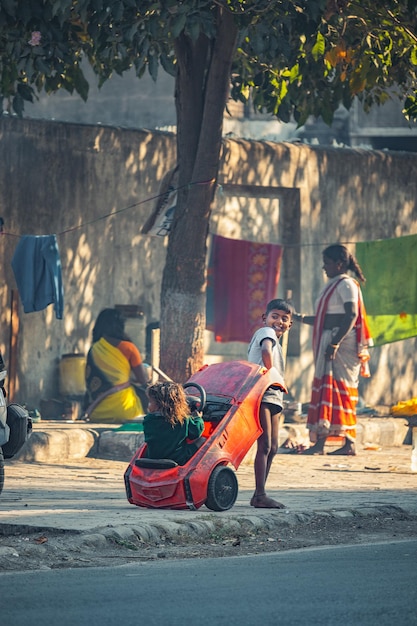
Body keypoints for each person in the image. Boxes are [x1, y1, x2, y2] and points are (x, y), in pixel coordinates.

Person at [293, 244, 372, 456]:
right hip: (331, 338)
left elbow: (350, 315)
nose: (323, 267)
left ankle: (346, 443)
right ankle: (323, 442)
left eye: (327, 263)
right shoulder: (333, 285)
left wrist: (335, 342)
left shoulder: (346, 285)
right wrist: (298, 318)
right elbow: (324, 319)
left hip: (341, 343)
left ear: (339, 264)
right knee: (330, 389)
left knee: (340, 391)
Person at [247, 298, 293, 509]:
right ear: (264, 318)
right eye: (275, 316)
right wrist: (271, 374)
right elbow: (266, 351)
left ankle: (259, 494)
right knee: (265, 445)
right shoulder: (266, 333)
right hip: (263, 392)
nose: (279, 321)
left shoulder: (275, 338)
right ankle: (260, 494)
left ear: (290, 325)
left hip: (274, 395)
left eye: (284, 319)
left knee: (273, 447)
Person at [84, 308, 149, 423]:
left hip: (99, 412)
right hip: (126, 410)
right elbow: (143, 380)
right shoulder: (129, 348)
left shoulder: (94, 349)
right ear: (120, 325)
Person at [143, 382, 205, 465]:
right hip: (179, 459)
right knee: (202, 440)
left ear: (160, 404)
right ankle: (194, 468)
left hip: (152, 457)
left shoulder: (148, 420)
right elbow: (196, 433)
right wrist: (198, 418)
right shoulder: (183, 419)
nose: (148, 406)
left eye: (150, 402)